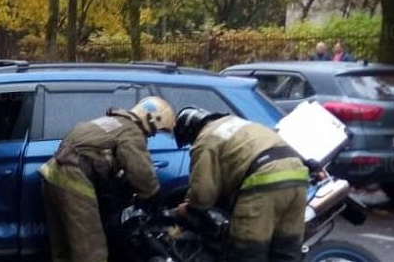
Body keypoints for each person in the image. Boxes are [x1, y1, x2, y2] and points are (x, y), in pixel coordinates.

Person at [38, 96, 176, 262]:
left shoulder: (109, 123)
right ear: (152, 119)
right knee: (92, 252)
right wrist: (153, 194)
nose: (152, 135)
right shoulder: (131, 131)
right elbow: (140, 171)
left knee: (64, 248)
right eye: (155, 131)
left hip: (51, 177)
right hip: (73, 182)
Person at [174, 107, 309, 262]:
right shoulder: (237, 123)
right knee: (285, 252)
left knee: (247, 251)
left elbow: (203, 195)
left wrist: (188, 209)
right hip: (298, 175)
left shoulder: (205, 139)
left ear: (190, 132)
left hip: (263, 181)